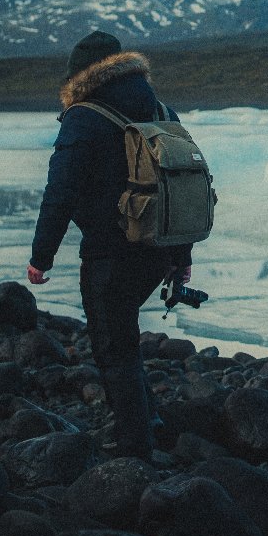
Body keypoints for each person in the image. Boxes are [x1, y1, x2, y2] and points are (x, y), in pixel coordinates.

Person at [28, 30, 192, 459]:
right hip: (158, 248)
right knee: (125, 336)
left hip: (109, 252)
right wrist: (181, 256)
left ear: (80, 74)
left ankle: (134, 448)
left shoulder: (84, 116)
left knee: (112, 347)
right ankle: (149, 423)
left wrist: (40, 257)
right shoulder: (160, 108)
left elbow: (60, 191)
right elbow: (180, 186)